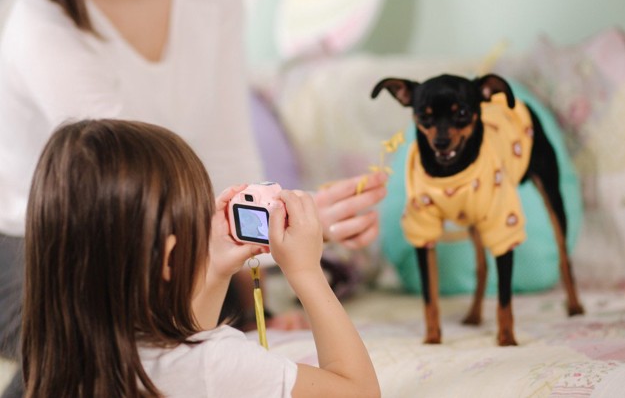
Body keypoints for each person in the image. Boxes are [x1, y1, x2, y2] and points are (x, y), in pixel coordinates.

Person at [0, 0, 386, 395]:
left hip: (142, 221)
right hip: (39, 236)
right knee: (102, 334)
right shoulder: (40, 20)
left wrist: (261, 220)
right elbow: (130, 185)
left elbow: (224, 140)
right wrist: (301, 268)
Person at [22, 118, 381, 398]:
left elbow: (185, 343)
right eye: (196, 220)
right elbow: (358, 391)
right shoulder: (218, 364)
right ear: (169, 256)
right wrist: (305, 272)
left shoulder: (57, 358)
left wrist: (216, 270)